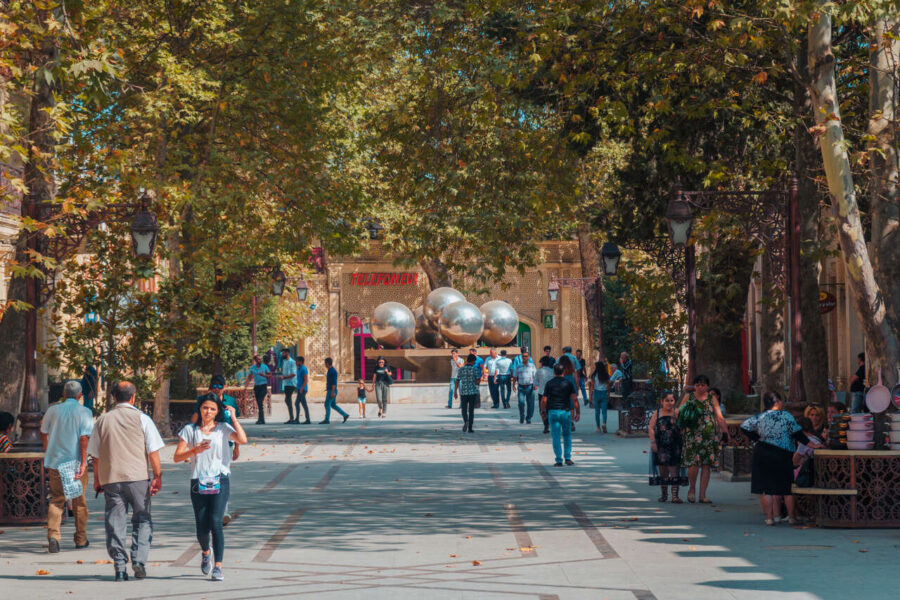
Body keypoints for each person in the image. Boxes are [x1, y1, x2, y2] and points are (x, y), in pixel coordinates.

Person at [88, 381, 165, 581]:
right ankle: (139, 561)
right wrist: (157, 476)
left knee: (115, 522)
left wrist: (97, 479)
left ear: (114, 397)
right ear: (133, 397)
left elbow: (95, 455)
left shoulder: (102, 420)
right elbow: (153, 451)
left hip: (111, 479)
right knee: (142, 518)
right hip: (138, 478)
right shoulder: (143, 419)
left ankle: (120, 568)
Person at [174, 393, 248, 581]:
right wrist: (194, 450)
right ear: (200, 408)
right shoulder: (190, 430)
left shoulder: (223, 429)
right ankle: (206, 552)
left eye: (213, 409)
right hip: (198, 480)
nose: (208, 411)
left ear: (217, 412)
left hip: (220, 479)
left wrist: (234, 418)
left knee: (216, 521)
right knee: (201, 527)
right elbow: (177, 457)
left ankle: (218, 567)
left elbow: (242, 439)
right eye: (205, 407)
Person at [741, 391, 819, 526]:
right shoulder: (786, 416)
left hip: (763, 452)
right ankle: (790, 518)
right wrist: (811, 444)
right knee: (786, 488)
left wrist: (756, 438)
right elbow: (797, 433)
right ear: (777, 402)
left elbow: (744, 426)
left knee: (766, 489)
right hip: (783, 454)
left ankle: (769, 518)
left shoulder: (760, 417)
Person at [41, 380, 94, 553]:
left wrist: (48, 450)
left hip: (56, 462)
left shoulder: (52, 410)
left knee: (57, 500)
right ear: (80, 396)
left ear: (63, 394)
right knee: (79, 502)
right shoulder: (84, 412)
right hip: (75, 463)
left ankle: (54, 536)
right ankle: (80, 538)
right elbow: (84, 438)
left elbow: (43, 432)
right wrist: (84, 463)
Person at [194, 375, 241, 526]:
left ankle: (223, 510)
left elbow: (235, 425)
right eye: (214, 385)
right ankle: (210, 509)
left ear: (225, 387)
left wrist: (237, 447)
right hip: (207, 443)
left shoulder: (230, 402)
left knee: (223, 475)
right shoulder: (202, 401)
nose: (216, 388)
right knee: (207, 473)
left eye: (220, 386)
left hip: (226, 444)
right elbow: (195, 420)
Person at [679, 374, 728, 504]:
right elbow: (679, 413)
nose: (700, 387)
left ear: (707, 386)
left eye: (703, 385)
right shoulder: (688, 397)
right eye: (697, 385)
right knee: (694, 463)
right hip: (692, 435)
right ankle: (692, 489)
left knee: (706, 464)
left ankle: (702, 495)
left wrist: (725, 432)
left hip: (708, 436)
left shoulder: (712, 398)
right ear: (694, 386)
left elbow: (719, 416)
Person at [540, 363, 580, 466]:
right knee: (567, 435)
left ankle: (558, 460)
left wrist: (542, 411)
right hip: (565, 412)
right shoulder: (568, 383)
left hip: (553, 412)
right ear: (564, 372)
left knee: (556, 437)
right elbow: (574, 399)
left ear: (554, 372)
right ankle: (567, 458)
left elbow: (544, 400)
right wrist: (577, 411)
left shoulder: (549, 384)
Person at [648, 391, 684, 503]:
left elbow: (683, 427)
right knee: (663, 471)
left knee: (675, 470)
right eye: (667, 400)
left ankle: (675, 496)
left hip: (675, 445)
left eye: (671, 400)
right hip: (661, 446)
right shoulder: (657, 413)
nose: (669, 403)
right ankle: (664, 495)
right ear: (662, 402)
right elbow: (651, 428)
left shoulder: (677, 412)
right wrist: (653, 442)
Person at [454, 354, 481, 433]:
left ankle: (466, 420)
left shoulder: (461, 369)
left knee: (464, 409)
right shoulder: (475, 369)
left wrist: (455, 392)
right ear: (473, 361)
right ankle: (470, 428)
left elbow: (457, 381)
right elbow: (477, 381)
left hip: (463, 392)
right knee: (471, 410)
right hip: (472, 392)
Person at [243, 355, 270, 424]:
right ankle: (261, 419)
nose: (260, 360)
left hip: (263, 386)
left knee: (260, 401)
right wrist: (245, 387)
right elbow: (249, 378)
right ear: (255, 360)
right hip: (257, 387)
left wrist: (264, 375)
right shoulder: (252, 368)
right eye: (258, 359)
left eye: (260, 359)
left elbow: (270, 376)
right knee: (259, 403)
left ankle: (261, 419)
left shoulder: (264, 367)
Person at [320, 357, 348, 424]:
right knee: (333, 405)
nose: (325, 365)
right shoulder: (330, 370)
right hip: (331, 390)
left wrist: (332, 392)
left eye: (325, 363)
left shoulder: (332, 371)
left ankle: (327, 420)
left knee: (327, 404)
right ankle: (345, 415)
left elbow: (334, 383)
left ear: (327, 363)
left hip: (332, 390)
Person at [513, 350, 537, 424]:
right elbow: (515, 376)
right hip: (521, 387)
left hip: (530, 387)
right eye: (523, 356)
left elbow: (535, 376)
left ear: (528, 357)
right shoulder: (518, 366)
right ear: (521, 357)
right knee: (521, 402)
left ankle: (528, 418)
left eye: (526, 356)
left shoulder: (532, 366)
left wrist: (535, 384)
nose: (524, 357)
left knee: (530, 404)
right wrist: (513, 385)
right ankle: (522, 416)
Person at [589, 360, 611, 433]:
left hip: (596, 393)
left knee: (597, 412)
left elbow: (592, 386)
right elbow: (608, 385)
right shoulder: (606, 375)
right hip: (604, 393)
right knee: (604, 411)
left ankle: (598, 427)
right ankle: (604, 423)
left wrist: (590, 396)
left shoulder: (594, 375)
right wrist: (608, 394)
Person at [558, 355, 578, 432]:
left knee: (563, 405)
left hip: (562, 387)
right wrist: (577, 387)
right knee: (571, 406)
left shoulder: (560, 369)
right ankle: (571, 422)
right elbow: (576, 379)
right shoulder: (572, 369)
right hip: (571, 387)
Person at [535, 356, 555, 434]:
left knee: (542, 410)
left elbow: (535, 383)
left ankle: (545, 424)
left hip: (542, 393)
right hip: (552, 394)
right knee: (550, 409)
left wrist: (540, 383)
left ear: (542, 363)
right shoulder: (553, 371)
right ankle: (549, 423)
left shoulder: (539, 371)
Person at [279, 349, 299, 424]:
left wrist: (284, 377)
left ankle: (292, 418)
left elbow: (293, 374)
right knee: (287, 400)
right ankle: (291, 417)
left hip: (291, 383)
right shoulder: (284, 362)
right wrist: (282, 376)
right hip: (286, 383)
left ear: (287, 353)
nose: (282, 355)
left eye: (283, 353)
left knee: (288, 399)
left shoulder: (292, 362)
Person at [294, 356, 311, 424]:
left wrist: (301, 388)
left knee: (297, 403)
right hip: (300, 389)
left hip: (303, 389)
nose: (296, 362)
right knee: (304, 404)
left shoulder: (303, 369)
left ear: (300, 362)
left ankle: (297, 419)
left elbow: (306, 380)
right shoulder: (299, 369)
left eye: (297, 361)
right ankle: (308, 419)